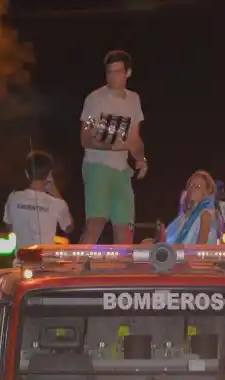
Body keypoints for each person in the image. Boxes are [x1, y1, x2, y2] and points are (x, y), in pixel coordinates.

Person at [78, 50, 148, 245]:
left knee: (125, 227)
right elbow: (85, 137)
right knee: (96, 221)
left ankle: (121, 271)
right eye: (109, 72)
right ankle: (76, 267)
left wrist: (141, 159)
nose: (112, 76)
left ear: (128, 73)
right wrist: (112, 146)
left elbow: (135, 137)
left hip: (122, 170)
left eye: (117, 72)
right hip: (97, 166)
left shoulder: (134, 99)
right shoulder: (96, 99)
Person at [3, 151, 73, 249]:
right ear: (49, 174)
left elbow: (8, 224)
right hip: (46, 261)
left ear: (27, 173)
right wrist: (56, 193)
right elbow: (68, 227)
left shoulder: (14, 197)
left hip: (21, 261)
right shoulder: (57, 203)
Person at [164, 170, 223, 245]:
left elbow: (201, 248)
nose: (193, 189)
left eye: (198, 187)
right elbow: (167, 237)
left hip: (191, 255)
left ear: (207, 191)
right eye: (191, 186)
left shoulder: (206, 214)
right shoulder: (186, 216)